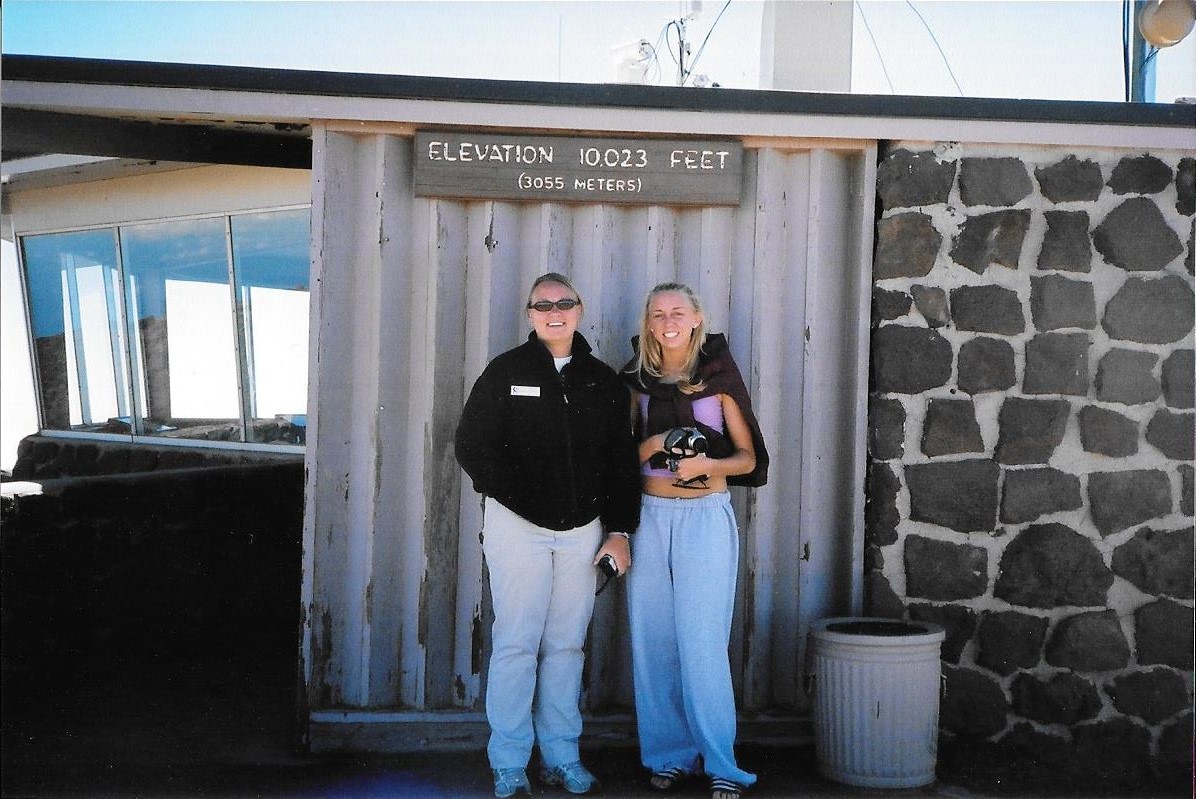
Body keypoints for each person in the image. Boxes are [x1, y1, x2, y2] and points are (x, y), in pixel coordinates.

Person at [455, 272, 640, 799]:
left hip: (583, 533)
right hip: (518, 528)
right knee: (517, 641)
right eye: (543, 305)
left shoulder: (603, 382)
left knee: (566, 646)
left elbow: (621, 465)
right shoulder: (505, 372)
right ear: (530, 314)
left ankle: (562, 755)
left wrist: (620, 529)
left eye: (564, 303)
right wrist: (529, 500)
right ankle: (509, 762)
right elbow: (472, 446)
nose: (554, 312)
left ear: (579, 310)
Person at [622, 282, 769, 799]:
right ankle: (668, 755)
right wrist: (656, 444)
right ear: (647, 321)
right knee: (654, 642)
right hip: (651, 516)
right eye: (658, 312)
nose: (668, 321)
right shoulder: (636, 382)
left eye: (677, 312)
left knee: (702, 643)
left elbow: (748, 459)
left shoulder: (718, 379)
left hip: (705, 517)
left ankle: (722, 762)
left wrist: (708, 462)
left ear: (696, 318)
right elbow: (618, 461)